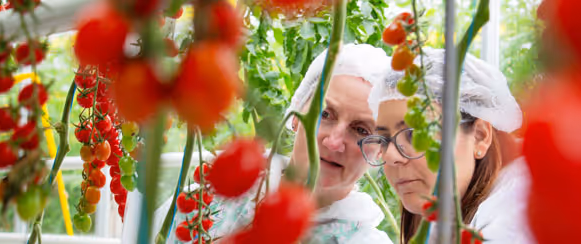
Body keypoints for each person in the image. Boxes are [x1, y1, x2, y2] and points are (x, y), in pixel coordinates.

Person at [152, 43, 394, 244]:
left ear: (379, 150)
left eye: (361, 130)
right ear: (297, 115)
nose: (334, 142)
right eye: (325, 114)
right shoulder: (206, 202)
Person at [359, 48, 533, 243]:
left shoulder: (514, 221)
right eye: (384, 140)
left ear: (480, 136)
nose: (390, 156)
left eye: (415, 134)